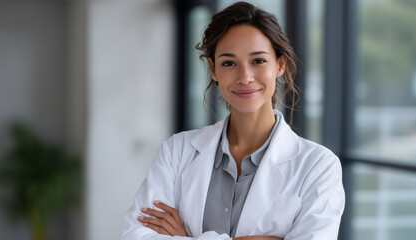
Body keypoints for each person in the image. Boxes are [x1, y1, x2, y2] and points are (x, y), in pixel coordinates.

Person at [121, 2, 345, 240]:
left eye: (258, 61)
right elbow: (136, 235)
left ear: (280, 65)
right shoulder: (176, 152)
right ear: (213, 69)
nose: (245, 77)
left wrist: (187, 237)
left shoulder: (318, 166)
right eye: (229, 63)